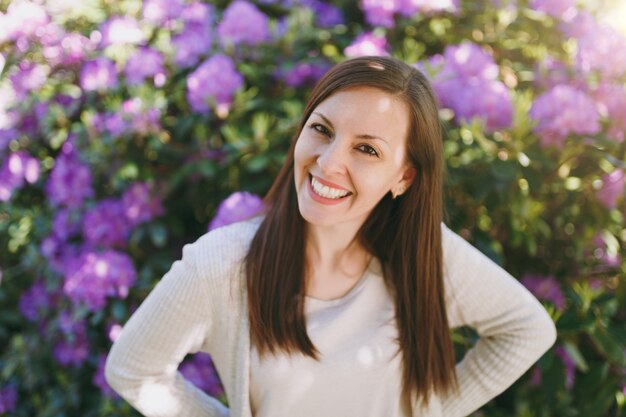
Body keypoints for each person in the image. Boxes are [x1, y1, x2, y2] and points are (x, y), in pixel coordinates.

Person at [105, 56, 557, 417]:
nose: (327, 162)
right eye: (322, 129)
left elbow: (526, 330)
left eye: (366, 149)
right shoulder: (221, 264)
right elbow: (133, 370)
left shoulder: (426, 255)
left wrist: (433, 411)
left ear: (403, 177)